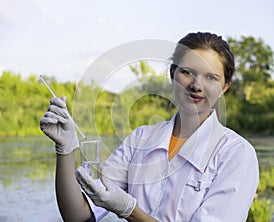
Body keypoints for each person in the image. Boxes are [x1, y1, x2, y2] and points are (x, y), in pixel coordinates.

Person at [40, 31, 259, 222]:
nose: (196, 85)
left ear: (224, 87)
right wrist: (65, 150)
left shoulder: (236, 155)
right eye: (187, 72)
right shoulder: (141, 139)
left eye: (211, 77)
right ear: (172, 74)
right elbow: (78, 216)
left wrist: (130, 211)